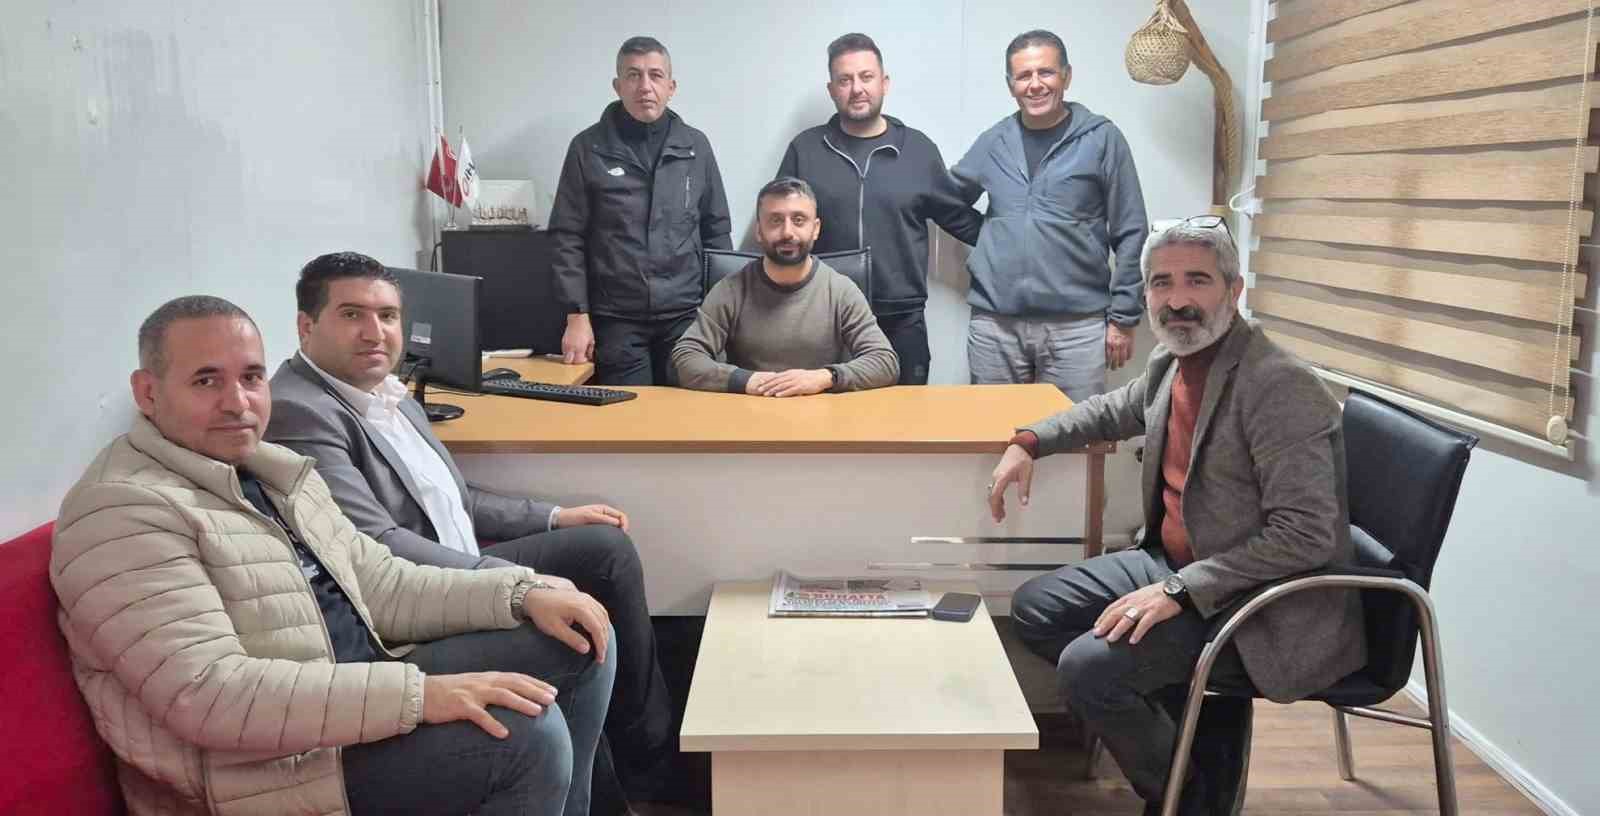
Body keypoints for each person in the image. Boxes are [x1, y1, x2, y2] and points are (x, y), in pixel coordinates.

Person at [52, 295, 615, 816]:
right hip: (261, 772)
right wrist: (422, 696)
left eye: (251, 378)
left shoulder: (268, 472)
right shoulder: (121, 510)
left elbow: (380, 583)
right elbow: (210, 695)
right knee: (525, 737)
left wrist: (521, 592)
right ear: (147, 392)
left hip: (352, 690)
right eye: (206, 381)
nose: (237, 403)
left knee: (576, 634)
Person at [264, 252, 675, 808]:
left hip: (459, 562)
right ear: (305, 326)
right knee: (577, 636)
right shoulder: (301, 411)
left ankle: (645, 750)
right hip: (414, 605)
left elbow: (454, 498)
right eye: (352, 315)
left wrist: (553, 515)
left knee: (603, 547)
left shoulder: (385, 392)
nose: (375, 332)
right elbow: (380, 545)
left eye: (387, 316)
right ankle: (624, 779)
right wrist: (517, 583)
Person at [989, 220, 1366, 815]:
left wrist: (1179, 590)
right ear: (1145, 295)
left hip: (1255, 598)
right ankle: (1186, 733)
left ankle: (1190, 799)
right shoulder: (1173, 361)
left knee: (1088, 670)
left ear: (1234, 290)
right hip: (1173, 562)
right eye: (1162, 283)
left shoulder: (1278, 386)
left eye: (1197, 280)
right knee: (1037, 610)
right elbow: (1111, 411)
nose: (1178, 299)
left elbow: (1306, 534)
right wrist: (1029, 440)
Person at [953, 29, 1149, 401]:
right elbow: (948, 199)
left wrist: (1124, 317)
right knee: (992, 431)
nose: (1035, 84)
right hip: (995, 328)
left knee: (1073, 433)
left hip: (1077, 329)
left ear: (1066, 76)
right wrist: (991, 235)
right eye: (1023, 76)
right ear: (1010, 85)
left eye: (1046, 72)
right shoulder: (994, 141)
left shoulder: (1102, 138)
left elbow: (1131, 230)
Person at [776, 32, 982, 384]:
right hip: (824, 316)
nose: (857, 88)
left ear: (884, 83)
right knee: (824, 418)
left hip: (901, 321)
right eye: (845, 80)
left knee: (905, 418)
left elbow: (960, 219)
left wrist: (1024, 242)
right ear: (832, 89)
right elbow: (779, 229)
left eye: (866, 77)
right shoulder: (805, 149)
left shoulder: (917, 150)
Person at [549, 35, 733, 386]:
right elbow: (566, 237)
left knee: (692, 411)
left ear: (671, 87)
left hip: (686, 316)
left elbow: (717, 231)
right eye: (633, 75)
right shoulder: (588, 148)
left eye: (655, 75)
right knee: (630, 414)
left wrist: (719, 312)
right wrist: (576, 315)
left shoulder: (695, 146)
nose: (645, 86)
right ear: (617, 86)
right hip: (616, 318)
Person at [672, 177, 899, 395]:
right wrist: (747, 380)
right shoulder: (730, 290)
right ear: (759, 230)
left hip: (823, 412)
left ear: (816, 228)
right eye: (775, 220)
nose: (787, 232)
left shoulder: (841, 290)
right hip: (750, 410)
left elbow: (885, 361)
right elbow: (685, 358)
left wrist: (825, 377)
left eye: (798, 220)